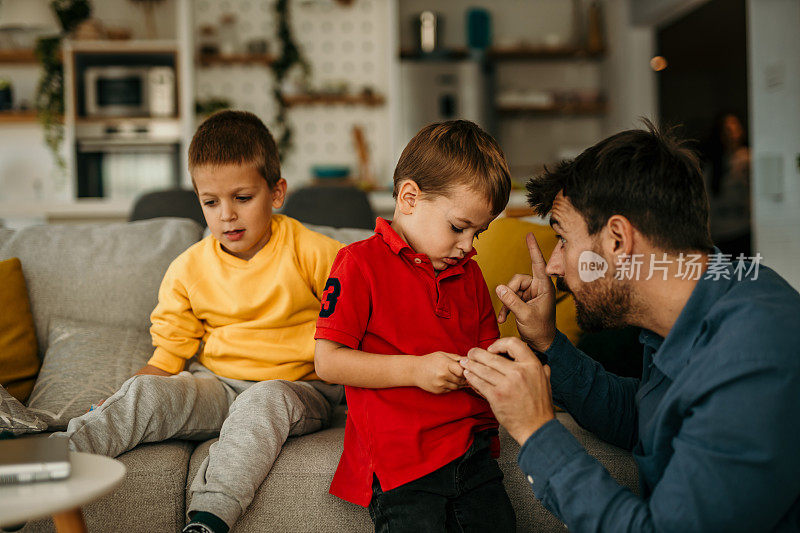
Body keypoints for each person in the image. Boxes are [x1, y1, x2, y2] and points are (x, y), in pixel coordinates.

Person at [461, 121, 800, 531]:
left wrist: (536, 431)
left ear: (618, 240)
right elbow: (642, 415)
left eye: (563, 240)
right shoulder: (698, 300)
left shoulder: (752, 361)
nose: (553, 267)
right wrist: (548, 342)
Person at [53, 110, 344, 533]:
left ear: (276, 192)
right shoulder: (187, 269)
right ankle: (45, 467)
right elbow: (168, 355)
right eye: (211, 202)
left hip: (298, 389)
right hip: (218, 386)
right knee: (146, 393)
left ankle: (209, 518)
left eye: (242, 198)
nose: (226, 215)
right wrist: (131, 396)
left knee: (263, 401)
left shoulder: (316, 253)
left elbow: (359, 327)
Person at [314, 120, 516, 532]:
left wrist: (510, 362)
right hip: (401, 465)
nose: (468, 245)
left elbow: (486, 361)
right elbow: (328, 363)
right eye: (459, 227)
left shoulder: (470, 275)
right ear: (409, 197)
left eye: (479, 233)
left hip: (472, 455)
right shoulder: (358, 263)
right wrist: (416, 369)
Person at [703, 111, 752, 257]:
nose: (730, 135)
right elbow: (707, 200)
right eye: (726, 130)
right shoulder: (713, 165)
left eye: (734, 129)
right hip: (720, 234)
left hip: (744, 230)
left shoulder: (748, 159)